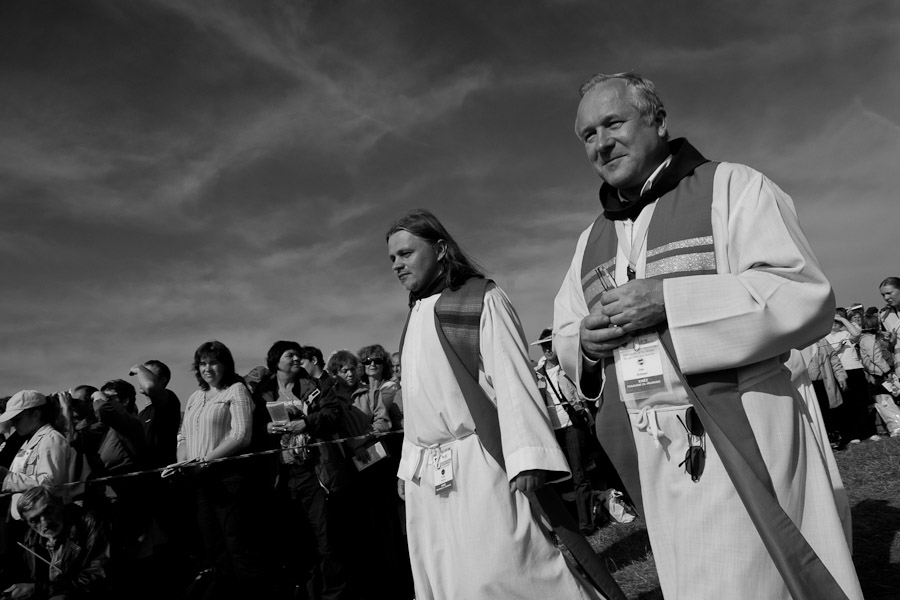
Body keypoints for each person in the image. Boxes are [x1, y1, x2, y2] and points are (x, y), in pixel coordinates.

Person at [553, 72, 862, 599]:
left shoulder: (734, 187)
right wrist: (584, 341)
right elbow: (566, 328)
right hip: (653, 442)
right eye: (587, 135)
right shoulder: (592, 239)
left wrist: (670, 301)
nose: (601, 143)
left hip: (742, 423)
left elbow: (800, 293)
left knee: (759, 575)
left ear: (657, 119)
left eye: (613, 123)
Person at [387, 209, 604, 600]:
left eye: (405, 253)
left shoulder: (479, 299)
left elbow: (513, 378)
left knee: (505, 572)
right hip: (430, 478)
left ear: (439, 249)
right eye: (392, 259)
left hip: (481, 464)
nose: (397, 265)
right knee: (447, 579)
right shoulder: (415, 314)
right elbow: (417, 407)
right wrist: (408, 470)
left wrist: (528, 457)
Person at [255, 340, 356, 600]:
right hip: (282, 476)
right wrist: (266, 429)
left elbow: (333, 415)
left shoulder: (315, 386)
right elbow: (252, 428)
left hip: (315, 472)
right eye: (291, 355)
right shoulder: (261, 392)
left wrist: (307, 423)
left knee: (327, 540)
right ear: (276, 360)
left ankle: (335, 594)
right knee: (296, 541)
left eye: (300, 355)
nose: (298, 359)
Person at [176, 340, 263, 596]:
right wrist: (183, 463)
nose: (208, 368)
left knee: (237, 544)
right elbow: (182, 436)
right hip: (198, 480)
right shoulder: (194, 397)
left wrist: (206, 461)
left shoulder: (236, 390)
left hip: (228, 478)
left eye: (213, 362)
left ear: (225, 364)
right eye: (202, 364)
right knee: (212, 546)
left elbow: (241, 435)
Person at [532, 327, 597, 534]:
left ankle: (586, 524)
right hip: (550, 430)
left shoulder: (568, 367)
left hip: (571, 425)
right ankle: (567, 523)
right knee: (558, 477)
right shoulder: (536, 374)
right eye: (544, 346)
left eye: (550, 344)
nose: (547, 349)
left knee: (579, 474)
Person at [5, 486, 110, 600]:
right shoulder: (30, 538)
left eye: (49, 510)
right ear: (27, 523)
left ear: (60, 504)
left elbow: (99, 577)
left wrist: (41, 588)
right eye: (35, 520)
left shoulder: (89, 523)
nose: (45, 522)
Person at [827, 308, 877, 444]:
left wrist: (842, 319)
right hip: (839, 372)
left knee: (862, 402)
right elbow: (825, 355)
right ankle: (853, 435)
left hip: (855, 369)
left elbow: (856, 333)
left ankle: (869, 432)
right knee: (847, 405)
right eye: (832, 321)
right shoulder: (825, 337)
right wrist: (836, 350)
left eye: (837, 321)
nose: (835, 324)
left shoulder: (846, 333)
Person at [130, 360, 181, 470]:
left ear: (162, 380)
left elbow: (150, 386)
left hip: (163, 476)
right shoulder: (141, 415)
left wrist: (139, 368)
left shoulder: (169, 400)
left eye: (147, 373)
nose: (141, 378)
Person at [858, 314, 900, 437]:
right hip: (879, 373)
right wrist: (887, 371)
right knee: (885, 401)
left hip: (879, 372)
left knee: (887, 400)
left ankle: (895, 425)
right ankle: (895, 426)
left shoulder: (871, 338)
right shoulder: (868, 340)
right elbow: (876, 358)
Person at [879, 276, 900, 379]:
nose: (886, 298)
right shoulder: (884, 316)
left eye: (889, 293)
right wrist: (891, 342)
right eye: (883, 295)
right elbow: (891, 349)